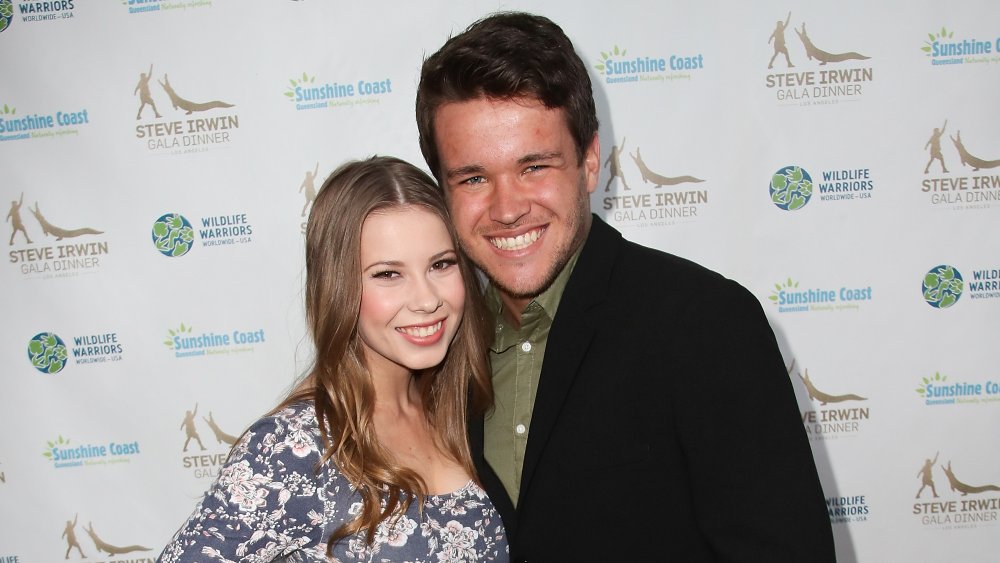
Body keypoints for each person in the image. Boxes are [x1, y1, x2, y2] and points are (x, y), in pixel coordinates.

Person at [416, 12, 835, 562]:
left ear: (590, 162)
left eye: (534, 166)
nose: (508, 208)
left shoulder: (707, 324)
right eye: (473, 178)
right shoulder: (429, 347)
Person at [158, 157, 508, 562]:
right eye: (388, 275)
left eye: (441, 265)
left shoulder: (461, 411)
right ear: (338, 287)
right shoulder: (294, 446)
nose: (428, 299)